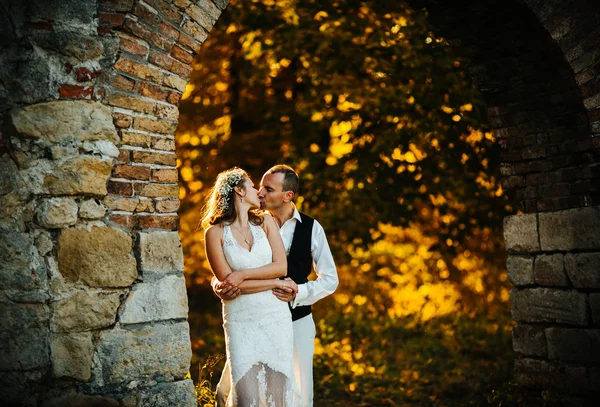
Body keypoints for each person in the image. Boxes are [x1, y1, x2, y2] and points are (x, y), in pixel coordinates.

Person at [214, 165, 339, 407]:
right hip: (253, 318)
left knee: (299, 396)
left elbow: (330, 279)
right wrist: (217, 282)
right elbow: (229, 261)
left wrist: (298, 292)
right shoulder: (251, 222)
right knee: (225, 391)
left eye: (268, 189)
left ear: (287, 195)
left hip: (297, 321)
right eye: (259, 186)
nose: (260, 192)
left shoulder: (312, 228)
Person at [202, 167, 302, 407]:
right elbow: (229, 284)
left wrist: (244, 275)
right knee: (246, 396)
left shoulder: (265, 221)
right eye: (252, 185)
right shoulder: (214, 233)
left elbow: (281, 266)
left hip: (274, 316)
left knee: (279, 395)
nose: (259, 191)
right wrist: (275, 284)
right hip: (241, 319)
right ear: (239, 190)